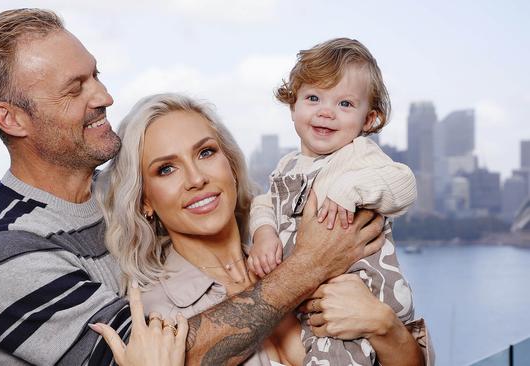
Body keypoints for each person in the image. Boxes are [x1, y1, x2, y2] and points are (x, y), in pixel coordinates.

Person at [0, 8, 391, 365]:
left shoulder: (114, 193)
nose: (104, 96)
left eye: (95, 75)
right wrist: (311, 264)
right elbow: (154, 358)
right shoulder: (2, 249)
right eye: (75, 89)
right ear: (11, 118)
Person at [101, 93, 432, 365]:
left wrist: (384, 326)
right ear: (145, 199)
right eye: (166, 169)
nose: (196, 179)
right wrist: (309, 265)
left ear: (230, 163)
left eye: (205, 152)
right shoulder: (155, 320)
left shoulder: (308, 248)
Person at [247, 38, 426, 365]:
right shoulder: (287, 166)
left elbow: (404, 184)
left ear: (368, 119)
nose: (326, 112)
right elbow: (264, 202)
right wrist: (264, 234)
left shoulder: (359, 155)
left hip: (357, 292)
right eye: (313, 98)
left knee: (338, 352)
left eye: (345, 104)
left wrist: (348, 189)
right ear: (293, 106)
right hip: (307, 295)